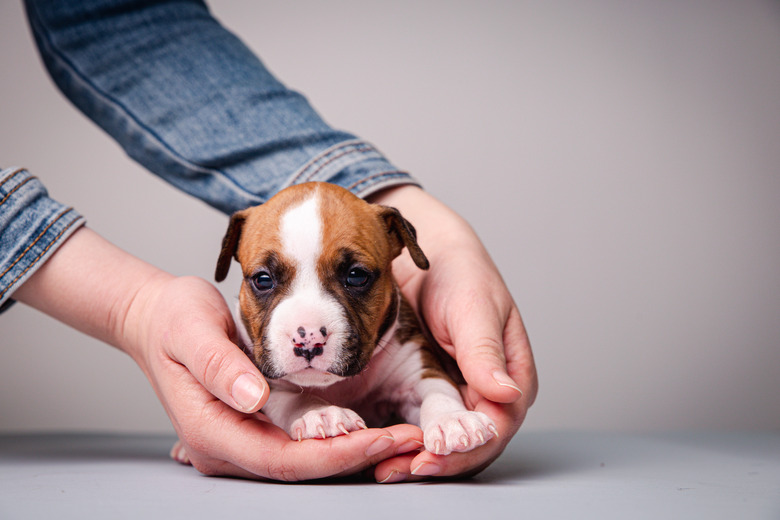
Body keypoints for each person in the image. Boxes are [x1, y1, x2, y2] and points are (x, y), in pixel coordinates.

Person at [1, 0, 537, 482]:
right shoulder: (258, 341)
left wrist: (445, 412)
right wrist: (135, 311)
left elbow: (124, 17)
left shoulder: (398, 330)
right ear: (233, 259)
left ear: (402, 253)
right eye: (265, 280)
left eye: (353, 277)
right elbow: (266, 397)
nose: (306, 333)